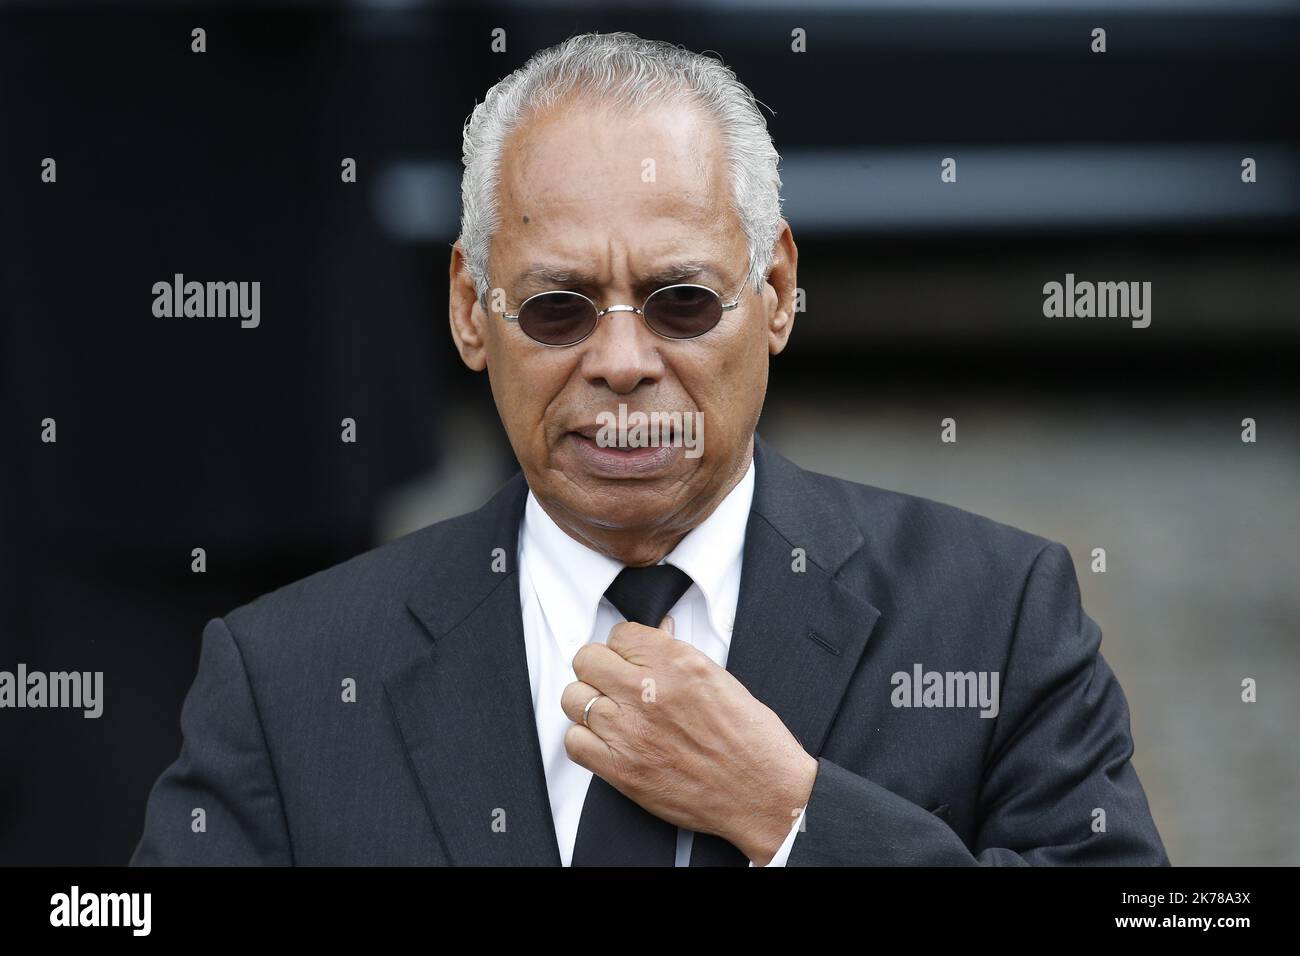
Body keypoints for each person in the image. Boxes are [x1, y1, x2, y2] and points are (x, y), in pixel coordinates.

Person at [131, 31, 1167, 867]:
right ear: (466, 308)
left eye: (680, 301)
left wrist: (792, 817)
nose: (621, 359)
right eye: (556, 307)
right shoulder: (288, 675)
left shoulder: (995, 616)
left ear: (774, 294)